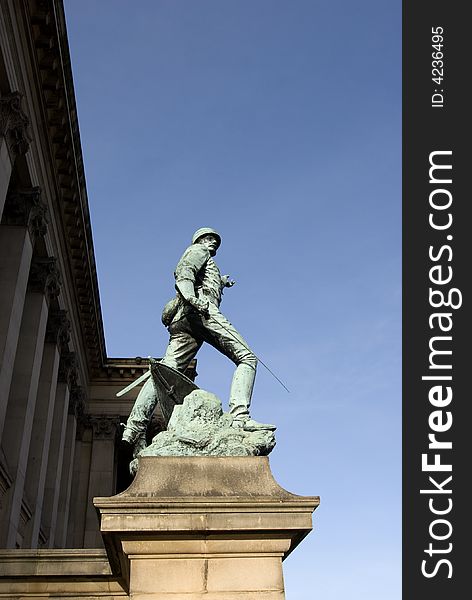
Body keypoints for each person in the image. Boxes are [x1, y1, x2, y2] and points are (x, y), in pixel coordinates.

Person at [122, 227, 274, 451]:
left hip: (183, 321)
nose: (212, 242)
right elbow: (184, 272)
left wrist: (221, 282)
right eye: (208, 238)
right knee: (247, 359)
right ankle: (240, 416)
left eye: (214, 240)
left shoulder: (208, 262)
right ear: (200, 240)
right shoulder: (197, 250)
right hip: (201, 312)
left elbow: (202, 279)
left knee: (165, 370)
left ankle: (134, 427)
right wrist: (194, 300)